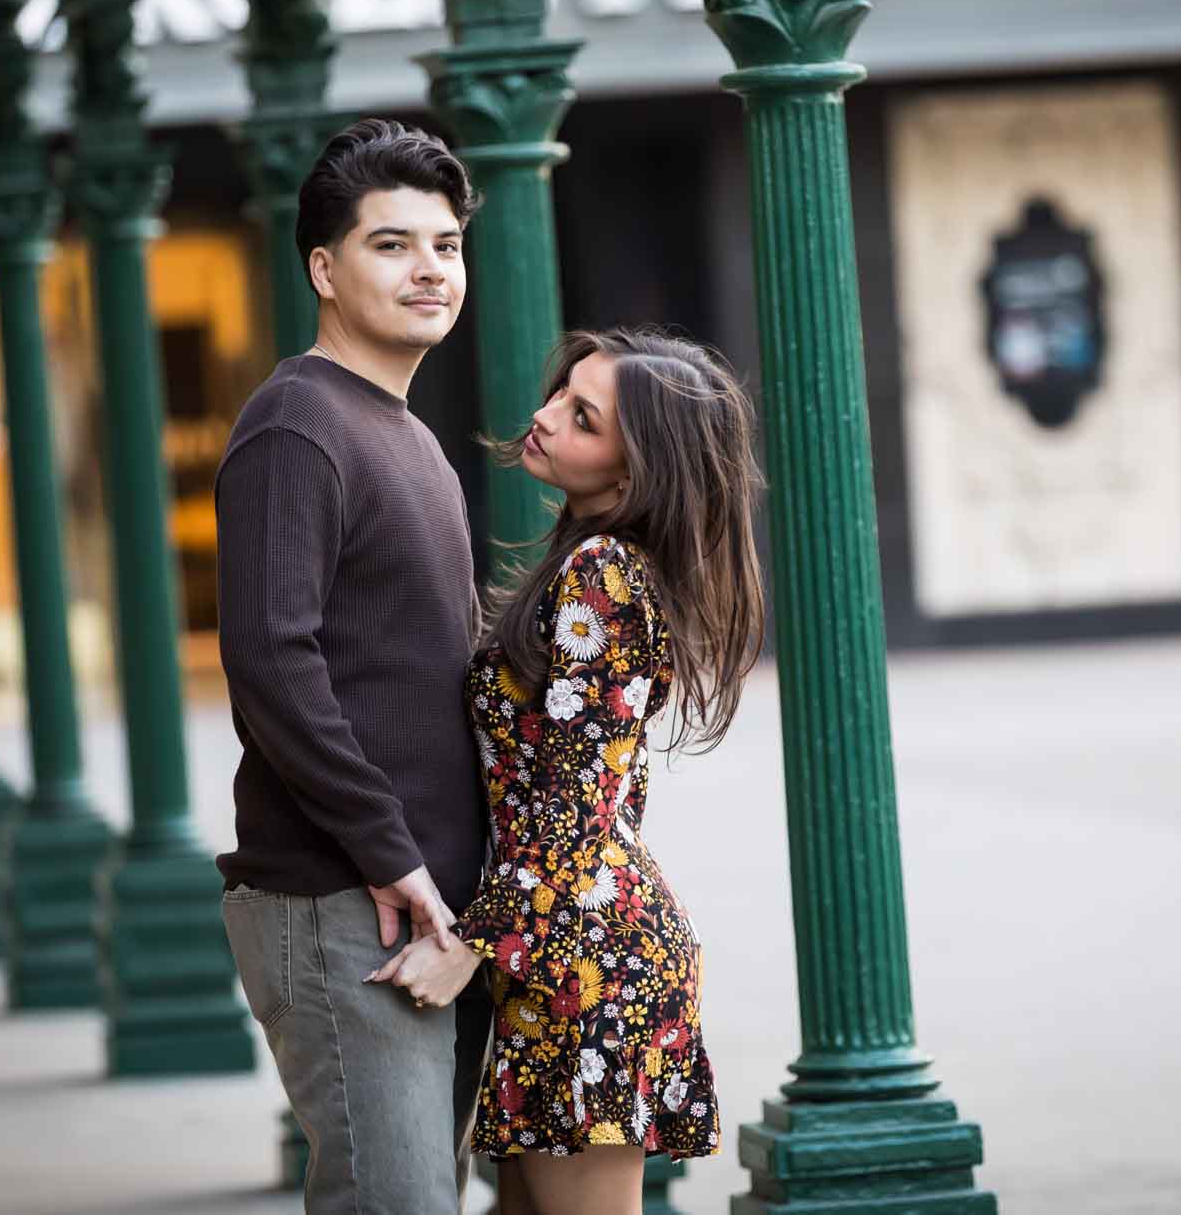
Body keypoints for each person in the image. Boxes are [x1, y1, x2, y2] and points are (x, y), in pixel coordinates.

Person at [371, 327, 767, 1215]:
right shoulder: (586, 565)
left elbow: (574, 803)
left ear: (629, 478)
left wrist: (467, 948)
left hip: (583, 968)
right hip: (562, 952)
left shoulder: (605, 577)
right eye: (562, 392)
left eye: (582, 418)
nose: (545, 416)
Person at [215, 118, 491, 1214]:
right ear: (323, 269)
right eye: (391, 244)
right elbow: (271, 663)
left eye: (445, 244)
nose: (428, 266)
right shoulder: (296, 425)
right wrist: (390, 854)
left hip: (425, 904)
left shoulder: (407, 434)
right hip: (346, 898)